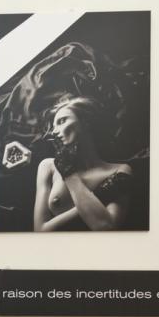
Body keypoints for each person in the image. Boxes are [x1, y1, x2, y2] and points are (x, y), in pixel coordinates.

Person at [33, 96, 135, 230]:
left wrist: (70, 175)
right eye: (53, 127)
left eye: (62, 121)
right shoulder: (48, 166)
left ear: (85, 121)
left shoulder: (120, 171)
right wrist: (101, 196)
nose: (54, 132)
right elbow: (40, 230)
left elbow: (105, 227)